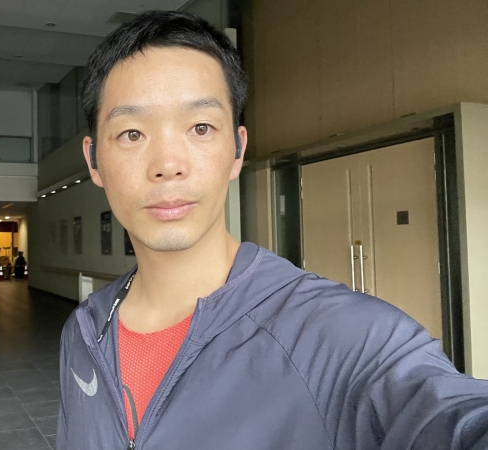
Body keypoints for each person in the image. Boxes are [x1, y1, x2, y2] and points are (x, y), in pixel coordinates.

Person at [56, 10, 488, 450]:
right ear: (94, 160)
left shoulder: (343, 337)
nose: (168, 164)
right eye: (132, 134)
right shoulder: (85, 331)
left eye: (201, 127)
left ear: (237, 149)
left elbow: (446, 414)